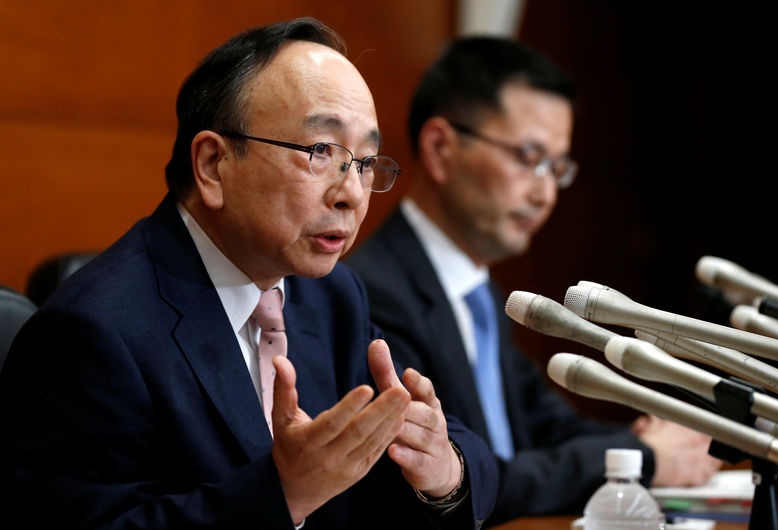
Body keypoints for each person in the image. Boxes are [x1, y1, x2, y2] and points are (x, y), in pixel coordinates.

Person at [0, 19, 498, 529]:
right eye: (319, 151)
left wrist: (442, 469)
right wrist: (283, 495)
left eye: (366, 162)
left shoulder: (330, 294)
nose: (351, 194)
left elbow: (456, 450)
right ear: (214, 164)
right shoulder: (92, 331)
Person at [347, 36, 720, 525]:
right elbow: (469, 476)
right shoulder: (372, 294)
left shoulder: (478, 293)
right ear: (440, 148)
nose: (545, 192)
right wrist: (646, 457)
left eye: (557, 167)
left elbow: (545, 424)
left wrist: (646, 445)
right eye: (528, 157)